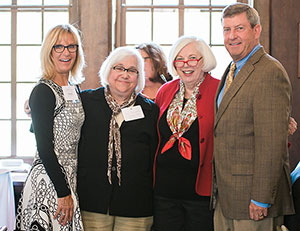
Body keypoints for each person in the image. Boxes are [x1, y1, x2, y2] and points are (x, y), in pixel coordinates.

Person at [212, 3, 294, 231]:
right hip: (226, 196)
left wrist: (261, 198)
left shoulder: (270, 72)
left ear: (256, 30)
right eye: (227, 30)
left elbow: (271, 144)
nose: (232, 36)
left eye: (239, 28)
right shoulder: (232, 69)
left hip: (253, 201)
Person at [77, 46, 159, 231]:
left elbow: (154, 158)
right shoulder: (86, 102)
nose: (125, 74)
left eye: (132, 70)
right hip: (93, 202)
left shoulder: (150, 110)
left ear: (138, 77)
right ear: (108, 70)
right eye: (119, 68)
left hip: (136, 204)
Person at [15, 24, 85, 230]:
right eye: (59, 47)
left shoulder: (75, 88)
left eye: (72, 47)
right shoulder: (43, 90)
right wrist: (63, 192)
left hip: (69, 179)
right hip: (50, 180)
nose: (66, 52)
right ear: (49, 51)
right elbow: (45, 147)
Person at [152, 35, 219, 231]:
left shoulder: (219, 89)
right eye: (179, 59)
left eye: (192, 58)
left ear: (204, 60)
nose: (186, 64)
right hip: (164, 191)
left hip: (199, 192)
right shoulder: (165, 90)